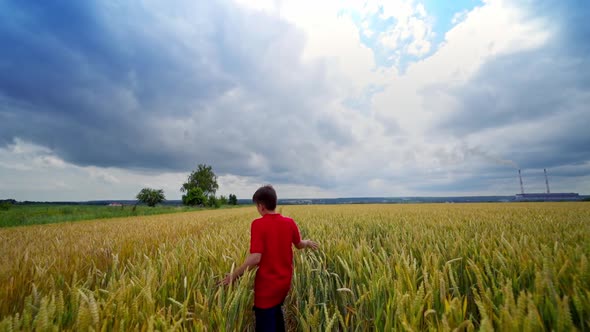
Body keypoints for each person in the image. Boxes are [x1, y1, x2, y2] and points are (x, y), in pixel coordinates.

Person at [221, 185, 319, 332]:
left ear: (261, 206)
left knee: (265, 321)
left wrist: (234, 276)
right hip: (284, 284)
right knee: (276, 312)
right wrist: (308, 243)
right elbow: (299, 244)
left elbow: (255, 258)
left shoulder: (258, 224)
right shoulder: (289, 222)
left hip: (267, 288)